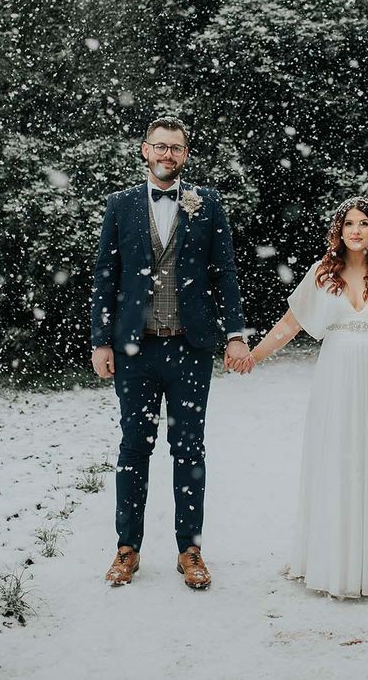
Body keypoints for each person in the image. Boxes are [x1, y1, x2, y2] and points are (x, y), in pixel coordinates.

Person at [226, 196, 368, 599]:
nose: (356, 231)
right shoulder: (323, 274)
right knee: (338, 462)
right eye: (349, 224)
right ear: (339, 231)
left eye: (364, 224)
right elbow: (292, 323)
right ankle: (333, 561)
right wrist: (254, 356)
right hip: (337, 380)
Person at [91, 116, 250, 588]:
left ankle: (190, 550)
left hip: (191, 348)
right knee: (133, 448)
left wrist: (236, 334)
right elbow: (106, 275)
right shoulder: (120, 205)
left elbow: (225, 273)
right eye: (160, 147)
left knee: (189, 449)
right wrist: (101, 340)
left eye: (175, 148)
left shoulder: (208, 203)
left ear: (184, 154)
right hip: (135, 353)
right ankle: (127, 549)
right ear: (145, 151)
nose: (167, 155)